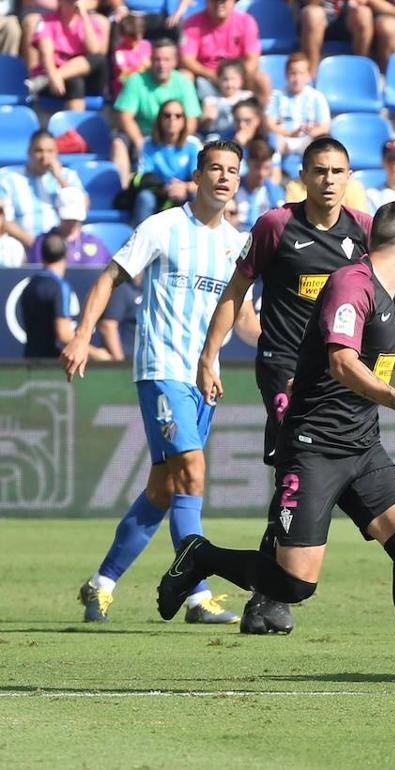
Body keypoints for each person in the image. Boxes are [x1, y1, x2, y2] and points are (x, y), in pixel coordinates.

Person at [161, 202, 395, 695]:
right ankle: (201, 556)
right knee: (294, 586)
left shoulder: (384, 294)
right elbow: (341, 362)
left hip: (362, 446)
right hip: (314, 447)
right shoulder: (353, 283)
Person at [62, 139, 257, 625]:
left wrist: (290, 348)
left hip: (205, 377)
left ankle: (101, 583)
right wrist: (83, 335)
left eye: (232, 170)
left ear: (239, 180)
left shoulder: (238, 244)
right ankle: (197, 595)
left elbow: (247, 321)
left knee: (164, 489)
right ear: (197, 175)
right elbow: (109, 276)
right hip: (163, 369)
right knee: (192, 471)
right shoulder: (162, 227)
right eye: (215, 168)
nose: (223, 177)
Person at [199, 136, 373, 635]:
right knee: (298, 467)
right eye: (320, 171)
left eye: (338, 171)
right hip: (282, 367)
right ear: (303, 175)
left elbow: (392, 282)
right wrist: (210, 355)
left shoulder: (364, 229)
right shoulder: (277, 225)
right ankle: (271, 594)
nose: (329, 181)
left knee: (292, 480)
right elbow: (236, 291)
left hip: (333, 373)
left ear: (349, 176)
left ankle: (266, 594)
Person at [113, 38, 204, 188]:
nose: (161, 64)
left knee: (201, 147)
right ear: (150, 60)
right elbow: (125, 117)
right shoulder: (136, 80)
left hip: (176, 135)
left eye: (166, 60)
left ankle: (190, 187)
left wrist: (176, 139)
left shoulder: (184, 82)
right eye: (157, 59)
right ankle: (123, 191)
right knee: (118, 143)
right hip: (142, 134)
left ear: (175, 62)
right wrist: (140, 143)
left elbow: (191, 120)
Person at [19, 233, 106, 360]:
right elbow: (64, 334)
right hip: (52, 364)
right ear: (67, 255)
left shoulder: (29, 286)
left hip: (30, 359)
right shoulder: (60, 287)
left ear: (42, 257)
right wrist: (97, 354)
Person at [0, 131, 84, 251]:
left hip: (64, 247)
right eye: (39, 151)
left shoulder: (68, 176)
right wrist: (37, 246)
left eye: (50, 151)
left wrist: (59, 178)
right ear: (29, 152)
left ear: (56, 153)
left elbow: (81, 207)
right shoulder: (9, 179)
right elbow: (5, 221)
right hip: (25, 247)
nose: (44, 157)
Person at [130, 100, 205, 226]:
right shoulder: (147, 144)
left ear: (184, 120)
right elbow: (143, 177)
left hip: (185, 192)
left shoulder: (193, 145)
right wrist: (166, 188)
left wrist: (184, 187)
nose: (172, 119)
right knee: (145, 197)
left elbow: (202, 181)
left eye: (178, 116)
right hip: (158, 191)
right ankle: (141, 238)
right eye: (167, 115)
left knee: (197, 195)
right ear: (159, 119)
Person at [25, 0, 109, 112]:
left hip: (74, 78)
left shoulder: (88, 22)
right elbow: (46, 52)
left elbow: (94, 50)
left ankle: (50, 78)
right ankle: (73, 128)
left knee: (99, 59)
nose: (73, 4)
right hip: (54, 79)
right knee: (75, 81)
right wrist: (52, 75)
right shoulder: (46, 21)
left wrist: (84, 16)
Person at [180, 0, 267, 102]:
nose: (219, 4)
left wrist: (236, 77)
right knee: (184, 76)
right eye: (214, 1)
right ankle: (192, 116)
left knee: (262, 79)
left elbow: (253, 59)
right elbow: (186, 59)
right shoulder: (193, 23)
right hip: (206, 78)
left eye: (224, 1)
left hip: (238, 78)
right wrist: (211, 75)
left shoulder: (246, 21)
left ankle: (262, 115)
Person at [266, 53, 331, 161]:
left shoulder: (316, 96)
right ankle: (275, 173)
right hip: (285, 137)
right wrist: (289, 134)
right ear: (286, 75)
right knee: (272, 141)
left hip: (307, 139)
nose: (297, 78)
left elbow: (325, 125)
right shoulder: (277, 96)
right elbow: (270, 123)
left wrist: (312, 132)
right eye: (293, 73)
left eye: (301, 73)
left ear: (308, 75)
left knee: (323, 143)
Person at [29, 187, 110, 266]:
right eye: (67, 220)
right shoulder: (43, 242)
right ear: (58, 212)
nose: (71, 224)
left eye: (75, 220)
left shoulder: (94, 242)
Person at [299, 0, 374, 75]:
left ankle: (362, 71)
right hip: (317, 14)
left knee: (364, 13)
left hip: (346, 16)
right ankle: (311, 74)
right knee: (313, 14)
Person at [234, 139, 285, 229]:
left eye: (266, 168)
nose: (261, 173)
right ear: (248, 163)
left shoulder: (275, 192)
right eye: (257, 167)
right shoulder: (234, 187)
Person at [199, 59, 253, 139]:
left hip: (242, 135)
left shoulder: (247, 97)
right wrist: (208, 120)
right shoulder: (211, 101)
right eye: (225, 79)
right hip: (218, 137)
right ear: (218, 80)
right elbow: (204, 128)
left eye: (233, 79)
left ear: (241, 80)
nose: (229, 84)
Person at [98, 271, 144, 361]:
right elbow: (108, 326)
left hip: (146, 360)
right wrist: (120, 362)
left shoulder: (147, 288)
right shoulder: (122, 289)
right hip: (127, 358)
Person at [111, 13, 151, 99]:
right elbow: (123, 74)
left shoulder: (147, 45)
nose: (136, 41)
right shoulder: (119, 52)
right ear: (123, 36)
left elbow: (150, 65)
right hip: (126, 88)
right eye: (132, 38)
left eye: (138, 37)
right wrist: (141, 67)